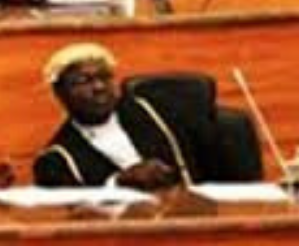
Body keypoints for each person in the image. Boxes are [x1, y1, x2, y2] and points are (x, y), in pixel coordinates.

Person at [33, 42, 201, 188]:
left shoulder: (154, 113)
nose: (99, 87)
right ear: (59, 93)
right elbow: (71, 208)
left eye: (105, 77)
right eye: (84, 81)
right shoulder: (55, 160)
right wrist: (118, 183)